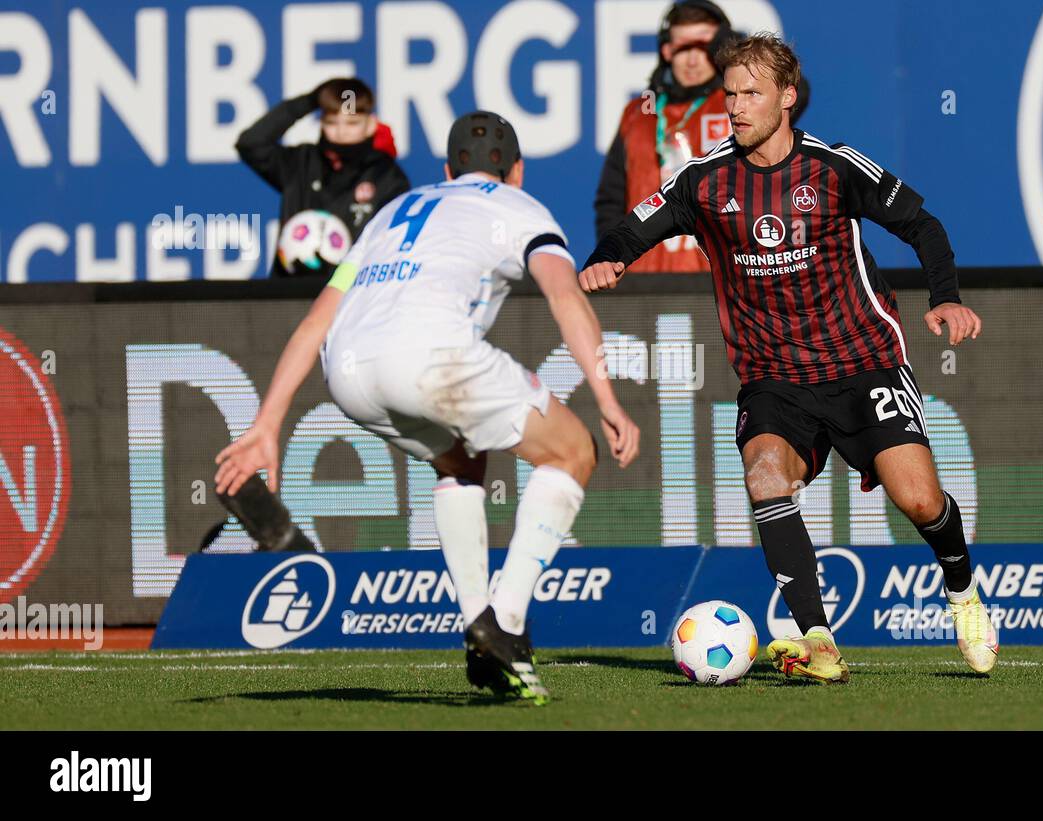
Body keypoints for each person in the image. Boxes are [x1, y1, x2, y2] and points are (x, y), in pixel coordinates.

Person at [579, 34, 998, 682]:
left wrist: (945, 299)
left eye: (752, 93)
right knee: (766, 477)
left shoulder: (833, 168)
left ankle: (963, 590)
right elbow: (633, 227)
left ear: (787, 98)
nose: (737, 106)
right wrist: (607, 259)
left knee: (919, 500)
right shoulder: (704, 180)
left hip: (864, 363)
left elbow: (925, 226)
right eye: (731, 94)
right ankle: (818, 638)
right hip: (774, 378)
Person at [215, 111, 641, 705]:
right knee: (572, 452)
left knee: (461, 463)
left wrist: (267, 424)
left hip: (348, 372)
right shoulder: (521, 207)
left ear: (447, 170)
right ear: (516, 171)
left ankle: (479, 630)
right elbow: (565, 294)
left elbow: (317, 320)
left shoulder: (393, 211)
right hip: (432, 358)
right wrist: (606, 397)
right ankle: (507, 624)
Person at [593, 1, 809, 275]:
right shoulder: (638, 113)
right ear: (666, 50)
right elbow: (611, 201)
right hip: (645, 282)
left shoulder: (737, 104)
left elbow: (795, 93)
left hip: (721, 277)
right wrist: (612, 258)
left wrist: (733, 50)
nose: (694, 60)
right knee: (665, 321)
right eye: (684, 48)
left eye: (705, 48)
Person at [236, 78, 411, 277]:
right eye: (332, 122)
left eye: (352, 123)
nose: (341, 131)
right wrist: (309, 101)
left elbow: (393, 245)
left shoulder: (387, 176)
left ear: (371, 124)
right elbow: (251, 144)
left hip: (350, 296)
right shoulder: (301, 163)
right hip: (287, 293)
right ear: (321, 123)